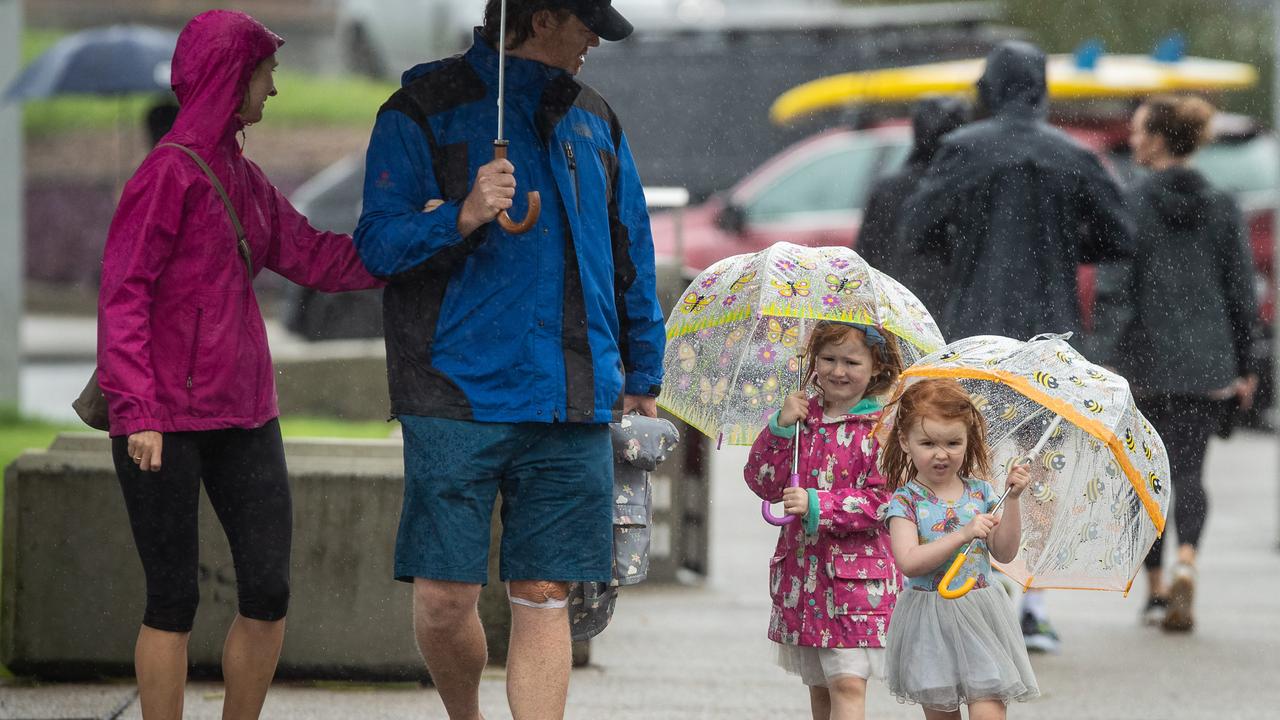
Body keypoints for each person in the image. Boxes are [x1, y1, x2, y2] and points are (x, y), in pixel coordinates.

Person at [352, 1, 665, 717]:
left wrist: (643, 373)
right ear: (545, 17)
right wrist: (459, 216)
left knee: (546, 595)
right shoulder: (419, 108)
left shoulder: (596, 118)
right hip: (454, 396)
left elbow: (631, 252)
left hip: (571, 395)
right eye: (586, 25)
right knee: (443, 599)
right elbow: (376, 244)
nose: (594, 41)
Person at [96, 10, 383, 719]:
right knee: (173, 599)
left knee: (269, 591)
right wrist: (138, 411)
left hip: (246, 413)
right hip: (160, 420)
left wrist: (429, 238)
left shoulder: (242, 178)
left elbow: (318, 257)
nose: (274, 89)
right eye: (267, 72)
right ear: (233, 76)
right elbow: (123, 294)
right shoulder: (166, 174)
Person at [897, 40, 1135, 652]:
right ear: (1042, 89)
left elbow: (916, 228)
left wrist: (966, 237)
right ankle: (1034, 602)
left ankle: (981, 588)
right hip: (1051, 334)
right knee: (1043, 465)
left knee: (971, 455)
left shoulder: (960, 150)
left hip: (975, 330)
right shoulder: (1073, 156)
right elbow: (1120, 237)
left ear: (988, 87)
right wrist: (1062, 239)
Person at [1088, 95, 1258, 633]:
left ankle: (1157, 591)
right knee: (1190, 471)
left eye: (1139, 131)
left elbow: (1117, 290)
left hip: (1144, 361)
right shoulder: (1223, 203)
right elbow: (1240, 290)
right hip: (1207, 362)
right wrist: (1246, 361)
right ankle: (1189, 560)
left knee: (1146, 480)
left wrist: (1100, 361)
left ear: (1158, 139)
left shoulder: (1131, 202)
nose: (1133, 140)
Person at [743, 321, 905, 720]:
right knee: (819, 686)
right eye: (828, 359)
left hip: (856, 584)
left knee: (848, 680)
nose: (838, 371)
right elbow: (763, 481)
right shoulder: (802, 418)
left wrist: (818, 504)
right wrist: (780, 429)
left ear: (877, 368)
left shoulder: (883, 428)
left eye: (851, 361)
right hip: (804, 576)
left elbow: (884, 502)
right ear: (813, 362)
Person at [880, 378, 1039, 719]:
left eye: (953, 442)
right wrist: (962, 534)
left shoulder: (982, 494)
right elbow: (909, 562)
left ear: (968, 441)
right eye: (928, 443)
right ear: (906, 442)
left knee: (988, 712)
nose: (941, 454)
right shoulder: (905, 502)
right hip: (930, 620)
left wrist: (1011, 501)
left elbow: (1005, 552)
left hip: (981, 614)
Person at [855, 95, 969, 314]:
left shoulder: (889, 188)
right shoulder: (968, 187)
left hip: (897, 307)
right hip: (953, 311)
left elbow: (866, 258)